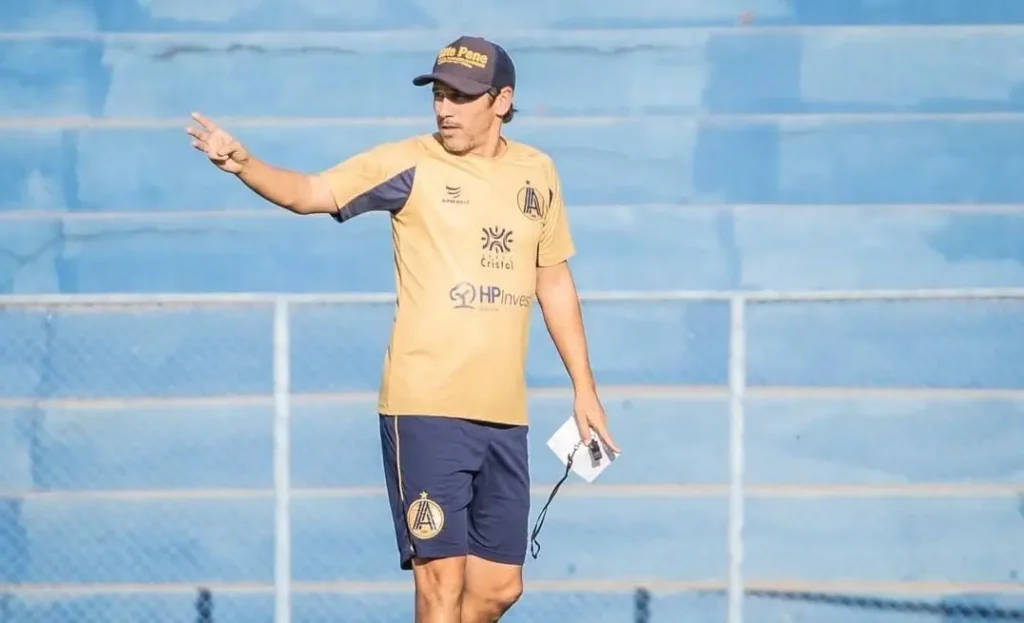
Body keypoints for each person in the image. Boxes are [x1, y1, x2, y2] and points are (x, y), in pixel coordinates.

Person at [185, 35, 620, 623]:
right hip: (425, 408)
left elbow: (554, 281)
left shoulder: (537, 173)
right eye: (439, 93)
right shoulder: (410, 163)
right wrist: (244, 165)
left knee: (498, 590)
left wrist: (584, 388)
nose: (445, 108)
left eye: (462, 96)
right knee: (440, 588)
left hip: (505, 414)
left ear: (502, 100)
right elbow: (312, 192)